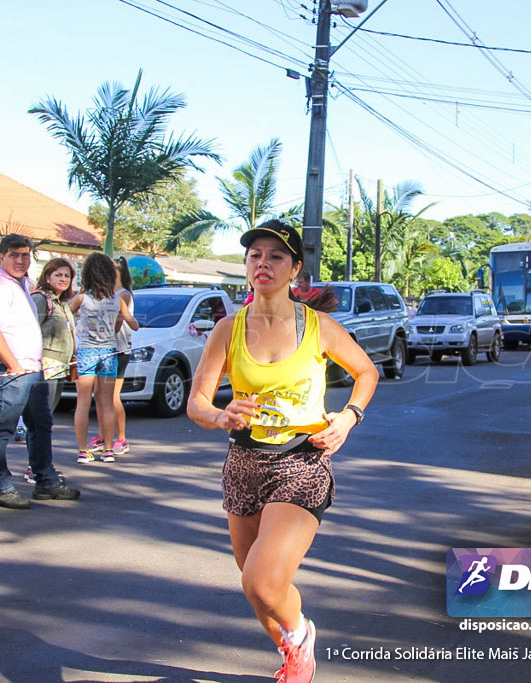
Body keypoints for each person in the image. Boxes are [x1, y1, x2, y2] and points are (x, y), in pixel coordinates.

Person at [188, 220, 379, 682]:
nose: (263, 264)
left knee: (262, 581)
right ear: (246, 266)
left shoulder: (319, 327)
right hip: (243, 463)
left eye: (275, 256)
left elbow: (366, 372)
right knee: (256, 589)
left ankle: (300, 634)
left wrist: (349, 417)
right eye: (255, 255)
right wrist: (219, 415)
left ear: (295, 269)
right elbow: (197, 400)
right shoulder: (227, 330)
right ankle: (293, 647)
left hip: (302, 460)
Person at [0, 233, 79, 509]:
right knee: (1, 429)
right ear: (2, 256)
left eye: (25, 255)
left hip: (31, 369)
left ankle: (46, 480)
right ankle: (0, 486)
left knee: (41, 425)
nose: (21, 260)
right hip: (8, 369)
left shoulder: (19, 286)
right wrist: (12, 364)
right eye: (14, 255)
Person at [68, 253, 137, 464]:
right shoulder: (117, 300)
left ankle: (83, 450)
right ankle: (108, 449)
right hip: (108, 352)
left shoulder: (82, 299)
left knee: (83, 402)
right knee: (107, 402)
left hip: (87, 351)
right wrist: (116, 321)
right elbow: (133, 325)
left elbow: (65, 315)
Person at [31, 258, 76, 413]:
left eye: (67, 275)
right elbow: (30, 330)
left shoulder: (62, 303)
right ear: (48, 277)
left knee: (49, 411)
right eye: (58, 275)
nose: (63, 279)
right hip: (45, 364)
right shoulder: (40, 299)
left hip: (61, 364)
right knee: (41, 412)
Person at [108, 256, 135, 457]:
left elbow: (119, 324)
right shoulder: (109, 293)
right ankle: (104, 436)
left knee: (113, 396)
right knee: (102, 398)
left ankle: (122, 438)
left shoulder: (123, 294)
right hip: (106, 349)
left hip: (119, 349)